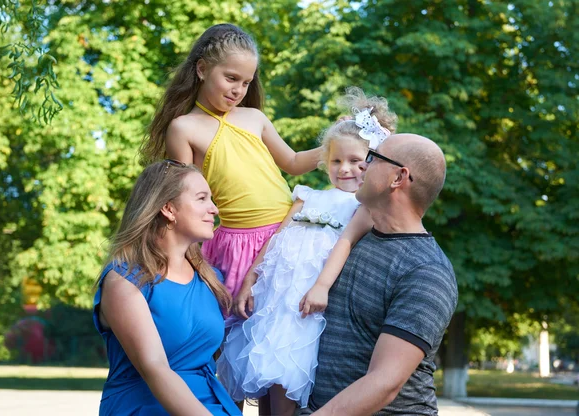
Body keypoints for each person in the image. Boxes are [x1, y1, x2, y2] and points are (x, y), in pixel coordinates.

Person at [217, 88, 398, 416]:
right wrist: (249, 281)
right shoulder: (306, 196)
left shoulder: (364, 207)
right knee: (262, 368)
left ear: (372, 162)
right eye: (336, 160)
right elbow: (275, 240)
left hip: (305, 304)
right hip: (272, 300)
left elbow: (344, 248)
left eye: (356, 161)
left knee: (286, 372)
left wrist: (321, 287)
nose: (344, 169)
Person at [141, 23, 321, 305]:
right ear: (202, 70)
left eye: (246, 82)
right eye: (231, 78)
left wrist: (337, 144)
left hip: (288, 231)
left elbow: (294, 162)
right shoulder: (183, 128)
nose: (238, 89)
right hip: (239, 244)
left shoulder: (254, 117)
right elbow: (185, 200)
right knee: (240, 327)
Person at [303, 133, 458, 416]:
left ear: (398, 178)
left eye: (373, 158)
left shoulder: (426, 272)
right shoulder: (347, 241)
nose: (362, 165)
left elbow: (384, 382)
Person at [93, 160, 241, 416]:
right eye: (202, 198)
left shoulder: (210, 279)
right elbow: (156, 369)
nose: (214, 209)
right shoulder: (124, 280)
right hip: (145, 407)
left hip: (210, 404)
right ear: (168, 208)